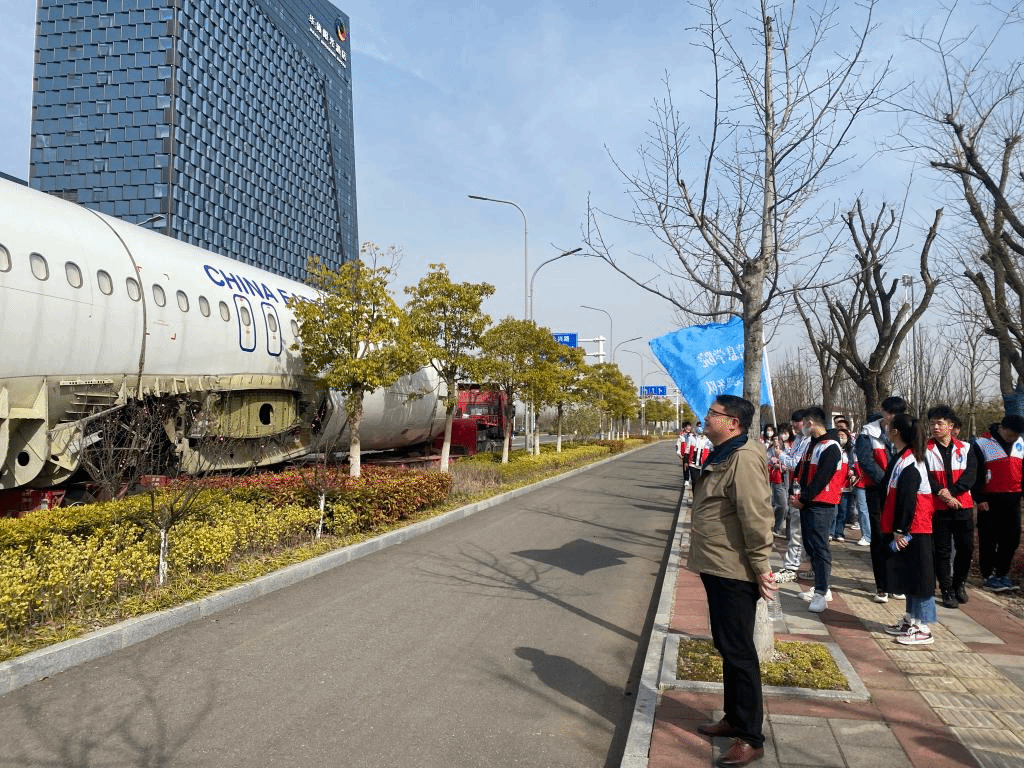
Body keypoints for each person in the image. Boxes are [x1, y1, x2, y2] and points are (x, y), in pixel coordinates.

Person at [689, 395, 775, 768]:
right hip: (718, 565)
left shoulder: (743, 457)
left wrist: (761, 565)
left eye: (713, 413)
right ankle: (734, 717)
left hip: (735, 569)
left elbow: (755, 515)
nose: (706, 417)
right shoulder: (725, 452)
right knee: (727, 646)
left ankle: (750, 737)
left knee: (739, 652)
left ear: (733, 423)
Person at [881, 414, 937, 645]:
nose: (886, 429)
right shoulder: (903, 457)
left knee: (921, 577)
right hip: (909, 527)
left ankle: (923, 627)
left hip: (916, 528)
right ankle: (911, 618)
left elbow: (908, 498)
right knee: (910, 575)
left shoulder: (911, 461)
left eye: (889, 427)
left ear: (896, 432)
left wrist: (900, 529)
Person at [789, 407, 845, 613]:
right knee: (810, 545)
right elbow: (800, 470)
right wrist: (794, 492)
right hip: (807, 502)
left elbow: (822, 478)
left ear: (810, 423)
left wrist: (804, 499)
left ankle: (821, 592)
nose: (801, 427)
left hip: (821, 504)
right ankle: (822, 586)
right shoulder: (812, 444)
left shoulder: (831, 446)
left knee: (820, 547)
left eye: (803, 423)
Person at [857, 397, 908, 602]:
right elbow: (866, 461)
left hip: (901, 491)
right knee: (879, 535)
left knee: (899, 534)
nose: (892, 417)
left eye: (897, 413)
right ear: (883, 411)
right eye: (889, 413)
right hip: (877, 491)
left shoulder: (906, 431)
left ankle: (896, 582)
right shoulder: (867, 433)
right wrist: (887, 481)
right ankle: (882, 585)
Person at [925, 405, 977, 608]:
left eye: (939, 423)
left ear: (950, 425)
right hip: (938, 507)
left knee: (966, 548)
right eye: (932, 423)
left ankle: (959, 584)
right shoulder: (924, 448)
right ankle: (946, 589)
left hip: (962, 505)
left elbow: (970, 475)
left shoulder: (966, 448)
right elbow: (926, 476)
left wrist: (952, 493)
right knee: (942, 550)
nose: (935, 427)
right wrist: (942, 494)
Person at [972, 414, 1024, 592]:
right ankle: (988, 576)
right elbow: (976, 474)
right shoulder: (982, 443)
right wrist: (979, 498)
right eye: (1010, 434)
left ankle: (1001, 573)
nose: (1012, 438)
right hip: (990, 498)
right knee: (989, 538)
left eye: (1016, 435)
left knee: (1012, 538)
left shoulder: (1020, 443)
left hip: (1013, 497)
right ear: (1002, 428)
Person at [774, 410, 811, 583]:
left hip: (803, 491)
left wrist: (780, 455)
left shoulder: (809, 441)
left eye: (798, 422)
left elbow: (795, 463)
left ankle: (791, 567)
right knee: (800, 530)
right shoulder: (798, 440)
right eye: (793, 422)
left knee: (797, 531)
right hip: (795, 487)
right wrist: (780, 451)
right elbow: (791, 457)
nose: (794, 425)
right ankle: (810, 566)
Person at [767, 434, 788, 537]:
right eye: (775, 446)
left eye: (779, 446)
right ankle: (777, 528)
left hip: (787, 480)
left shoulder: (786, 452)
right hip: (777, 481)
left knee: (788, 508)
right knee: (782, 506)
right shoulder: (769, 454)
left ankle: (787, 531)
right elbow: (768, 462)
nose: (777, 449)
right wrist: (775, 463)